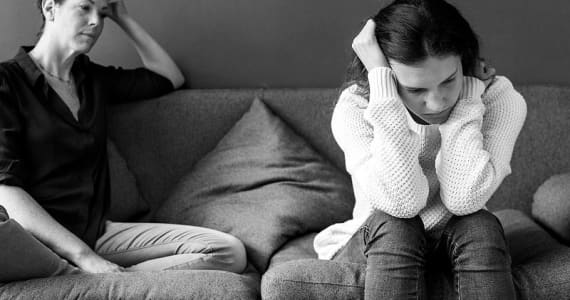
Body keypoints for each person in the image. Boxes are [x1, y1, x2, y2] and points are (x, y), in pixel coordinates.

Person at [0, 0, 246, 280]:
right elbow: (4, 190)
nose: (96, 22)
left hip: (97, 233)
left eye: (102, 13)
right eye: (84, 7)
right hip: (36, 241)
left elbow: (169, 77)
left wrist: (122, 16)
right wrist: (86, 258)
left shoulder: (92, 80)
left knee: (229, 252)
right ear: (49, 7)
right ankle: (92, 276)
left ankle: (99, 281)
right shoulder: (6, 82)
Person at [313, 0, 527, 299]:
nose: (438, 103)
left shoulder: (497, 98)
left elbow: (464, 199)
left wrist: (466, 104)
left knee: (479, 223)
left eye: (449, 80)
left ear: (463, 61)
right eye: (415, 90)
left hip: (458, 241)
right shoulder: (357, 106)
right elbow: (401, 204)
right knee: (397, 226)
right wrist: (384, 94)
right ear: (385, 75)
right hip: (382, 239)